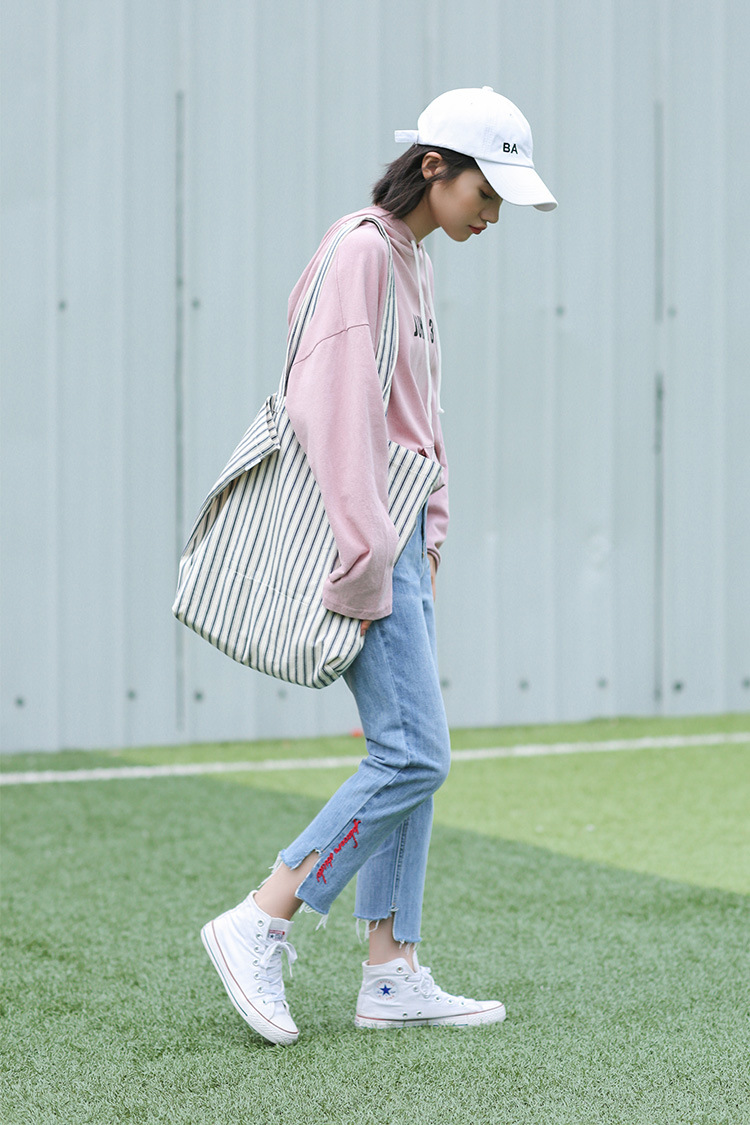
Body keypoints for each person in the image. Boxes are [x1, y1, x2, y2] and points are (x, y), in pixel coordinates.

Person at [200, 86, 557, 1045]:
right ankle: (263, 914)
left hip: (400, 540)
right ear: (434, 166)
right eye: (487, 191)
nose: (493, 214)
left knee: (409, 753)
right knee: (415, 754)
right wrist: (369, 551)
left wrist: (428, 535)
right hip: (367, 540)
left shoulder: (410, 259)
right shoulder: (362, 251)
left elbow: (417, 420)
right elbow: (332, 410)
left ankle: (391, 970)